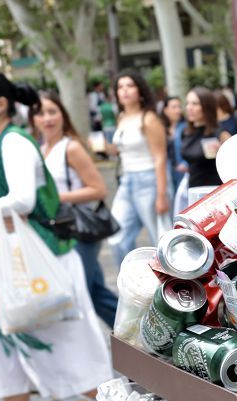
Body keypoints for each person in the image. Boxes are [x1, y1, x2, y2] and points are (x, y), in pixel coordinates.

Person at [0, 71, 112, 401]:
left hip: (42, 263)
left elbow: (23, 201)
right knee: (3, 349)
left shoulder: (14, 144)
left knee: (73, 350)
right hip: (8, 263)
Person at [32, 91, 119, 328]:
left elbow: (99, 189)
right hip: (57, 230)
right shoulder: (41, 150)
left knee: (79, 292)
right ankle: (135, 334)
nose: (47, 118)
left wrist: (56, 198)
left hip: (78, 229)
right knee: (95, 291)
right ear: (33, 119)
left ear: (63, 115)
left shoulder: (70, 148)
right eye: (41, 113)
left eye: (52, 111)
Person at [107, 71, 168, 267]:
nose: (124, 90)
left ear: (139, 91)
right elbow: (123, 150)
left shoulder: (148, 118)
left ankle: (167, 281)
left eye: (130, 86)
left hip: (148, 180)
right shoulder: (122, 117)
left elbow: (160, 157)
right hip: (126, 180)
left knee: (159, 238)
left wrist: (161, 195)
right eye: (120, 87)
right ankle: (130, 277)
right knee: (116, 236)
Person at [177, 87, 231, 212]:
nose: (189, 108)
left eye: (195, 104)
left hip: (214, 194)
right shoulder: (186, 132)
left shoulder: (219, 133)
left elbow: (235, 159)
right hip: (193, 191)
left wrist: (223, 152)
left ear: (206, 106)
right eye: (188, 103)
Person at [161, 95, 187, 195]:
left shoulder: (186, 127)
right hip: (166, 171)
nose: (178, 110)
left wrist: (186, 164)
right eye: (174, 107)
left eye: (179, 107)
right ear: (165, 110)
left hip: (182, 171)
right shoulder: (161, 128)